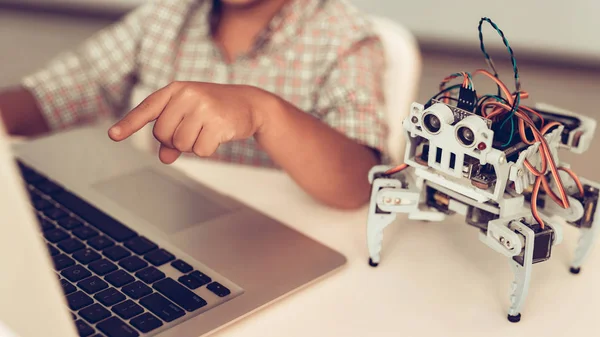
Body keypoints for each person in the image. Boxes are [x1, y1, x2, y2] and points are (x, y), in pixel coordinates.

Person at [0, 0, 388, 209]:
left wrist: (263, 112)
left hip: (287, 240)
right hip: (166, 218)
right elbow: (60, 92)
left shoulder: (346, 36)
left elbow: (359, 185)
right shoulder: (168, 14)